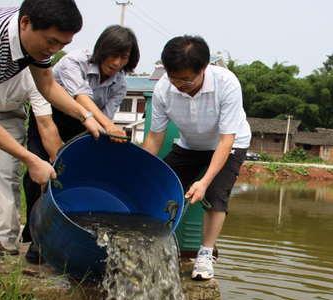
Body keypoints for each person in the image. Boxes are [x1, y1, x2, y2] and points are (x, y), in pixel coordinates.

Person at [0, 0, 102, 254]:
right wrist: (32, 160)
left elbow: (48, 85)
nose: (54, 50)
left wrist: (85, 115)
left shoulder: (34, 39)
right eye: (52, 42)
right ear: (25, 23)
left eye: (63, 45)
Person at [22, 24, 140, 263]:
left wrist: (107, 129)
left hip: (86, 125)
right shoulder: (74, 61)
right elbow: (81, 98)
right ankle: (35, 238)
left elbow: (103, 115)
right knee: (40, 176)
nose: (117, 63)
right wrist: (108, 126)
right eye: (113, 55)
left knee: (76, 176)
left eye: (124, 58)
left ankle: (71, 235)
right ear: (101, 50)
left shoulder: (120, 83)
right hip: (50, 116)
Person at [142, 35, 251, 280]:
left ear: (203, 69)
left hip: (229, 144)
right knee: (160, 186)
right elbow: (155, 137)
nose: (179, 85)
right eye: (174, 78)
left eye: (186, 80)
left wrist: (204, 181)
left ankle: (205, 252)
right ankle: (155, 245)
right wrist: (143, 172)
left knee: (214, 195)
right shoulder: (163, 89)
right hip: (189, 144)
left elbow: (226, 140)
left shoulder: (226, 83)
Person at [0, 69, 63, 255]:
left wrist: (59, 161)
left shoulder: (34, 73)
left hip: (9, 115)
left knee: (7, 173)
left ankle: (4, 239)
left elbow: (45, 123)